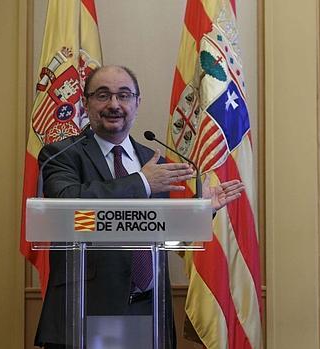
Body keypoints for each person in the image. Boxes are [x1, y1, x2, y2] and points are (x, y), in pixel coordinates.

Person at [34, 65, 245, 348]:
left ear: (137, 102)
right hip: (86, 308)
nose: (114, 104)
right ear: (85, 102)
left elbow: (161, 236)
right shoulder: (62, 154)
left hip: (148, 309)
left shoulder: (153, 158)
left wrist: (200, 212)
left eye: (124, 95)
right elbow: (71, 211)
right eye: (102, 95)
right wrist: (142, 182)